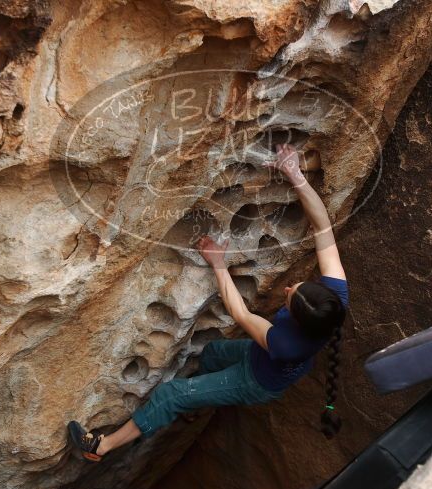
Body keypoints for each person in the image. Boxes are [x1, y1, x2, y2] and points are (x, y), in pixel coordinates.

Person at [68, 143, 348, 462]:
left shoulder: (284, 343)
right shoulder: (335, 299)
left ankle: (100, 447)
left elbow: (240, 313)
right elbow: (323, 227)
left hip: (257, 380)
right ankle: (196, 401)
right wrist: (294, 174)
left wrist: (218, 263)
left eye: (291, 297)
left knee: (172, 394)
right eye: (299, 287)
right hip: (261, 358)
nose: (288, 288)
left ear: (296, 322)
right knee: (213, 353)